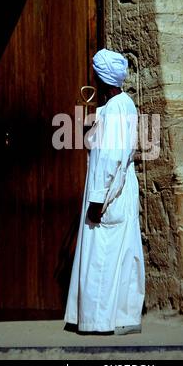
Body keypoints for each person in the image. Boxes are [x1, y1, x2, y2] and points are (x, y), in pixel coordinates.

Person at [64, 48, 145, 334]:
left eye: (95, 76)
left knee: (103, 256)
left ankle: (99, 321)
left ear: (102, 79)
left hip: (110, 193)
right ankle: (122, 318)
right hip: (120, 190)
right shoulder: (123, 104)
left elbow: (111, 159)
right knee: (120, 254)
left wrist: (98, 200)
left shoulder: (116, 108)